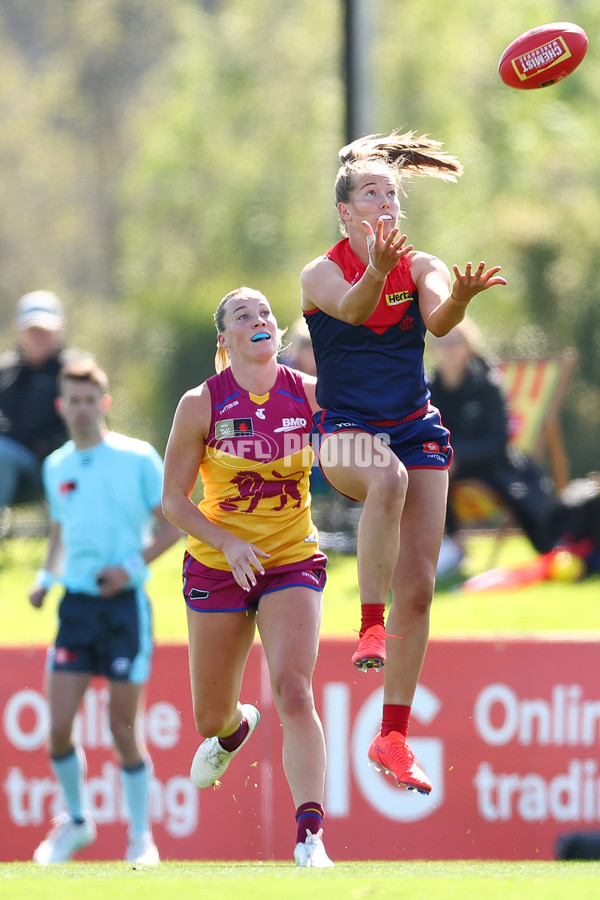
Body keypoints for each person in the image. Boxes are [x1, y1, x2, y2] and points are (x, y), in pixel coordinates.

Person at [300, 130, 506, 795]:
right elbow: (357, 308)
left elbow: (441, 322)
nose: (385, 202)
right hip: (346, 432)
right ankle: (367, 628)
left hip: (416, 429)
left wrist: (464, 297)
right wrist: (377, 269)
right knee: (383, 477)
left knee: (420, 586)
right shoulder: (321, 273)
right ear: (346, 213)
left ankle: (392, 737)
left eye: (392, 193)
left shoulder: (420, 265)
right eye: (372, 193)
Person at [161, 287, 334, 867]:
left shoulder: (310, 396)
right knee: (210, 716)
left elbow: (358, 457)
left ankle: (310, 838)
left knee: (294, 686)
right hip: (218, 563)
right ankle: (234, 733)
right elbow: (173, 503)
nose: (258, 319)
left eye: (264, 313)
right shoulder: (200, 404)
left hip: (290, 558)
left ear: (276, 333)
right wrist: (229, 543)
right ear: (225, 339)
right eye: (243, 315)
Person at [28, 359, 182, 866]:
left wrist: (130, 567)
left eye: (90, 399)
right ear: (61, 407)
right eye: (72, 400)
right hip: (76, 609)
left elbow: (171, 525)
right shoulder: (57, 466)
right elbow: (59, 533)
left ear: (105, 404)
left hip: (124, 610)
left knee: (122, 728)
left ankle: (142, 837)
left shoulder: (136, 458)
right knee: (57, 727)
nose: (81, 409)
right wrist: (45, 579)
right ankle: (76, 821)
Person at [429, 318, 600, 576]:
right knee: (423, 470)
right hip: (447, 469)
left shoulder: (488, 384)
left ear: (470, 346)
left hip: (496, 468)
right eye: (441, 343)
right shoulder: (430, 388)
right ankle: (446, 545)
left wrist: (456, 456)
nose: (448, 349)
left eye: (455, 342)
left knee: (545, 530)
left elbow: (498, 439)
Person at [0, 291, 87, 522]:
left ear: (61, 330)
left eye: (45, 331)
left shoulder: (75, 371)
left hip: (52, 467)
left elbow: (89, 428)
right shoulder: (6, 371)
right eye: (33, 331)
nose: (39, 337)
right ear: (20, 330)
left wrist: (45, 446)